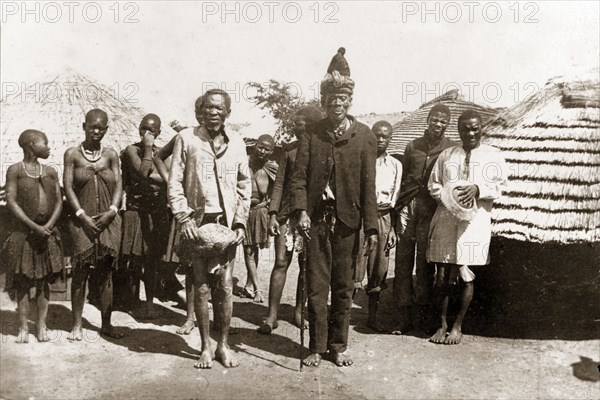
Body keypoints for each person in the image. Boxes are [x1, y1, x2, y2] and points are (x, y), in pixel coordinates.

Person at [290, 71, 378, 367]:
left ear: (350, 101)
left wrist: (372, 227)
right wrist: (301, 211)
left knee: (344, 288)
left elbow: (369, 185)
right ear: (324, 102)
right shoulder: (312, 133)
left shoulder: (364, 135)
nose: (336, 104)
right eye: (331, 99)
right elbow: (299, 178)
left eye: (342, 99)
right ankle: (316, 345)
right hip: (315, 222)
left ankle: (337, 346)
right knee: (316, 287)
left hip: (348, 224)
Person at [168, 89, 251, 369]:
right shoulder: (187, 139)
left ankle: (223, 345)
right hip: (197, 225)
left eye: (219, 108)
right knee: (201, 287)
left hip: (226, 227)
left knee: (225, 287)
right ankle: (204, 347)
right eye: (208, 108)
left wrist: (240, 222)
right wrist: (184, 217)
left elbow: (244, 185)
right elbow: (175, 182)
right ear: (201, 111)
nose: (213, 113)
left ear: (227, 112)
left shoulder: (237, 143)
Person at [427, 110, 507, 345]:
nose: (471, 133)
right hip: (445, 218)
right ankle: (441, 325)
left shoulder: (493, 155)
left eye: (475, 128)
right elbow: (434, 184)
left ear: (482, 128)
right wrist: (448, 197)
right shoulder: (447, 155)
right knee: (441, 275)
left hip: (475, 222)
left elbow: (501, 185)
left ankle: (457, 326)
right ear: (458, 131)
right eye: (465, 129)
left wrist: (478, 189)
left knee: (465, 274)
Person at [258, 106, 324, 334]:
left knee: (307, 265)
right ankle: (272, 315)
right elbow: (279, 184)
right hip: (287, 213)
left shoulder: (322, 150)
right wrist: (273, 214)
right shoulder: (288, 151)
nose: (296, 128)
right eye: (295, 124)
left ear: (312, 125)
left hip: (311, 214)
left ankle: (299, 311)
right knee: (281, 262)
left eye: (300, 124)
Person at [392, 103, 457, 334]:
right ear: (427, 120)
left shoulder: (451, 149)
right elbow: (405, 179)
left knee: (424, 264)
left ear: (447, 125)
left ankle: (421, 317)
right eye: (435, 120)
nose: (438, 124)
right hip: (409, 207)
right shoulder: (413, 146)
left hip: (431, 209)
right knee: (402, 262)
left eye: (443, 121)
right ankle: (402, 317)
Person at [63, 108, 124, 340]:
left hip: (108, 220)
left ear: (106, 129)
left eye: (101, 127)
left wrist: (112, 210)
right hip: (82, 222)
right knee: (80, 272)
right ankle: (77, 325)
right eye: (92, 126)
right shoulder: (72, 155)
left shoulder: (111, 155)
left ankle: (106, 324)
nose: (96, 131)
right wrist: (81, 215)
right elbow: (68, 187)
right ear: (84, 126)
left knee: (106, 273)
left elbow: (119, 184)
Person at [2, 130, 64, 343]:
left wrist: (47, 225)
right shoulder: (15, 171)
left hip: (46, 234)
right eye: (44, 143)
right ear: (30, 145)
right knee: (23, 283)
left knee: (43, 283)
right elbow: (11, 201)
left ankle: (42, 326)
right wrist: (32, 226)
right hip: (23, 235)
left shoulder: (50, 171)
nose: (48, 147)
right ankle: (22, 327)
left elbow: (59, 202)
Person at [353, 120, 402, 332]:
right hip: (360, 217)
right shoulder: (359, 160)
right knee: (354, 264)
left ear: (391, 138)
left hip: (384, 217)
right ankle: (341, 315)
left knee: (379, 267)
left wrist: (392, 228)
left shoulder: (395, 165)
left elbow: (396, 199)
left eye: (385, 136)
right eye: (377, 135)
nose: (381, 140)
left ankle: (372, 317)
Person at [120, 114, 170, 319]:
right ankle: (132, 301)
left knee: (152, 260)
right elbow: (142, 173)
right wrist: (148, 150)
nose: (146, 134)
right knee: (134, 259)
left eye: (151, 131)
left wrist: (154, 175)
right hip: (136, 210)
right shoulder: (131, 150)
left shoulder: (163, 153)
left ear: (158, 132)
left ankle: (149, 303)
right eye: (143, 129)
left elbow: (167, 178)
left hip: (156, 211)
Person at [153, 135, 196, 335]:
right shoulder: (184, 137)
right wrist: (170, 182)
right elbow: (158, 157)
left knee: (216, 269)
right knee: (190, 266)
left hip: (212, 207)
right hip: (187, 209)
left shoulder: (222, 139)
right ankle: (190, 317)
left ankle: (218, 320)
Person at [241, 134, 277, 303]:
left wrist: (271, 207)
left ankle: (249, 284)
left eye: (267, 149)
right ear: (254, 145)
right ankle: (257, 288)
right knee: (248, 250)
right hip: (243, 211)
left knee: (253, 249)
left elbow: (280, 190)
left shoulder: (272, 168)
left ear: (271, 151)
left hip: (260, 212)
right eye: (260, 147)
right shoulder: (243, 162)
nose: (262, 151)